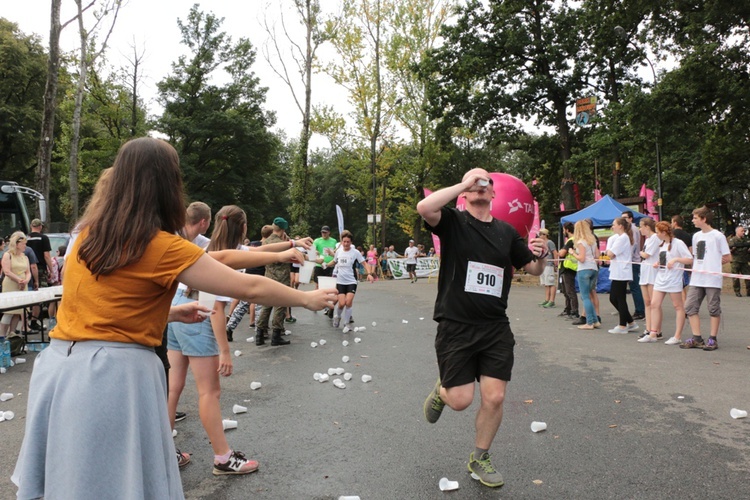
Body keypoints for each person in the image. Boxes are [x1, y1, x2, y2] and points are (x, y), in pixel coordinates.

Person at [12, 137, 336, 498]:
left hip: (59, 369)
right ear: (168, 185)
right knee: (115, 485)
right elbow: (249, 288)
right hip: (112, 378)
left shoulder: (88, 235)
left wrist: (168, 313)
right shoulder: (160, 245)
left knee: (70, 482)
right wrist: (306, 299)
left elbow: (101, 306)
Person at [417, 168, 547, 489]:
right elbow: (425, 208)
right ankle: (442, 391)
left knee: (495, 396)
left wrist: (544, 256)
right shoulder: (453, 222)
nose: (478, 186)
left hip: (494, 327)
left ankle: (480, 457)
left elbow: (532, 267)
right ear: (464, 192)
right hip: (456, 325)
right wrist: (463, 183)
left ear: (493, 194)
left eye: (483, 183)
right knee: (460, 400)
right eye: (471, 183)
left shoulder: (507, 232)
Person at [679, 206, 731, 350]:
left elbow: (728, 257)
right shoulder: (696, 236)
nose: (693, 220)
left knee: (713, 308)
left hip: (712, 279)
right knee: (690, 307)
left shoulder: (718, 235)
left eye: (695, 218)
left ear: (704, 219)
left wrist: (714, 262)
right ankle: (697, 338)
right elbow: (696, 256)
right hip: (697, 277)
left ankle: (713, 339)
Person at [639, 221, 691, 344]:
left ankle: (677, 336)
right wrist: (658, 264)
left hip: (673, 279)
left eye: (657, 232)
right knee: (654, 304)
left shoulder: (678, 243)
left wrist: (676, 259)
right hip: (660, 278)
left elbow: (689, 259)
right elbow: (662, 260)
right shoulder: (662, 244)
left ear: (663, 232)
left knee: (678, 306)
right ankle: (653, 333)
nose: (656, 235)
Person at [255, 217, 294, 346]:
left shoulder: (266, 242)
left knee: (266, 305)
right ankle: (276, 334)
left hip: (268, 276)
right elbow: (286, 259)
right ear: (283, 229)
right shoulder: (280, 244)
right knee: (280, 305)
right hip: (281, 278)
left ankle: (259, 335)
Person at [332, 230, 374, 331]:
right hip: (340, 281)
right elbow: (333, 262)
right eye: (344, 241)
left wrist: (369, 274)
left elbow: (364, 263)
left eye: (348, 242)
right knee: (341, 303)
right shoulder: (338, 251)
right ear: (341, 242)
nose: (346, 244)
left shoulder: (355, 252)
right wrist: (325, 265)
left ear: (351, 242)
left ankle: (346, 323)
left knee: (348, 302)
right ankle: (337, 317)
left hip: (351, 281)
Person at [606, 217, 639, 334]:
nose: (612, 226)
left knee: (618, 298)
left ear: (620, 226)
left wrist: (608, 251)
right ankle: (630, 322)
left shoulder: (622, 238)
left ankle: (622, 325)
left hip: (621, 272)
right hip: (618, 271)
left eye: (614, 224)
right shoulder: (621, 238)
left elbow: (610, 254)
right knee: (616, 298)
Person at [0, 232, 31, 337]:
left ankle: (12, 334)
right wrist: (19, 280)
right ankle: (2, 335)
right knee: (9, 312)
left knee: (18, 311)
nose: (25, 246)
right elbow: (7, 271)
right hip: (11, 285)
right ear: (17, 244)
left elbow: (28, 271)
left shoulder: (24, 257)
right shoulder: (7, 255)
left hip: (22, 285)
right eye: (23, 244)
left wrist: (26, 280)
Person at [26, 218, 55, 330]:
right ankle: (34, 321)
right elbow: (46, 255)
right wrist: (51, 270)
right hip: (39, 268)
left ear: (31, 226)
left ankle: (26, 320)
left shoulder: (26, 238)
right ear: (40, 227)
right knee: (39, 295)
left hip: (25, 268)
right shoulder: (43, 238)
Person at [572, 221, 601, 330]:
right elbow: (597, 255)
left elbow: (582, 258)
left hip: (584, 269)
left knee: (585, 297)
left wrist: (573, 253)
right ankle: (595, 320)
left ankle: (589, 322)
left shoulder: (580, 242)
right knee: (589, 295)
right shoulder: (592, 241)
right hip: (593, 268)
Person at [636, 218, 660, 338]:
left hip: (652, 271)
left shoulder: (655, 238)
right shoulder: (647, 240)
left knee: (653, 302)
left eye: (641, 226)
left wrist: (640, 253)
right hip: (645, 270)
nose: (640, 229)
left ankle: (657, 329)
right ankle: (648, 328)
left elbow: (646, 254)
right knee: (647, 301)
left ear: (647, 227)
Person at [621, 211, 645, 320]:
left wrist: (627, 258)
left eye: (625, 218)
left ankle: (640, 310)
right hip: (630, 261)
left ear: (631, 219)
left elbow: (633, 245)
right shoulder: (628, 230)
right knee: (631, 286)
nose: (624, 220)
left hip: (633, 262)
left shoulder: (633, 230)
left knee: (635, 287)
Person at [557, 223, 578, 317]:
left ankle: (574, 311)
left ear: (567, 230)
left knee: (570, 291)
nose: (563, 232)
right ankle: (568, 309)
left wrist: (560, 252)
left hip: (568, 268)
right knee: (565, 291)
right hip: (565, 267)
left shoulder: (571, 240)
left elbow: (562, 253)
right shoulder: (570, 240)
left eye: (563, 230)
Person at [671, 215, 693, 299]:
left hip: (675, 263)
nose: (671, 224)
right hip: (685, 261)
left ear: (675, 223)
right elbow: (690, 250)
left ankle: (684, 307)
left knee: (680, 287)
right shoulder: (687, 235)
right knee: (682, 285)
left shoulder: (673, 235)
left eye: (672, 222)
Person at [537, 228, 558, 308]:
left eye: (541, 234)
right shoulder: (541, 243)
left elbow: (555, 253)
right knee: (546, 283)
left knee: (551, 283)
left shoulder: (549, 242)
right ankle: (547, 299)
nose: (540, 236)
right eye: (539, 234)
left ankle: (552, 300)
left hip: (549, 264)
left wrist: (556, 263)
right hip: (543, 264)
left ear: (545, 235)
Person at [727, 226, 750, 297]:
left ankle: (749, 291)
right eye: (742, 231)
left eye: (744, 231)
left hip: (744, 261)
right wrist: (732, 249)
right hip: (735, 261)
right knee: (735, 277)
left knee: (748, 277)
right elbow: (728, 251)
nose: (743, 232)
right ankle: (737, 291)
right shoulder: (732, 240)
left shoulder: (746, 240)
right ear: (737, 232)